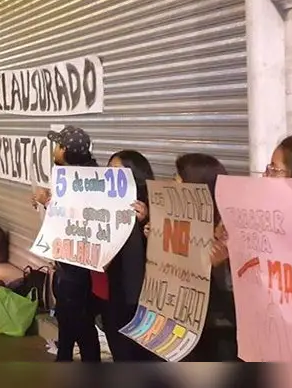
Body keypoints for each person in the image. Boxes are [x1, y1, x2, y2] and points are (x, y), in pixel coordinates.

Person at [32, 125, 102, 362]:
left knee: (80, 322)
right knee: (65, 316)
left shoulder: (87, 179)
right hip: (66, 262)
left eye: (58, 145)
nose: (54, 149)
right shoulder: (68, 175)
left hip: (79, 266)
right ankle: (63, 356)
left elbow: (79, 217)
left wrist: (48, 203)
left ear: (65, 149)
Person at [167, 153, 237, 362]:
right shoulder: (173, 217)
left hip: (219, 327)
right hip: (184, 322)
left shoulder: (229, 225)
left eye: (177, 178)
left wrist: (219, 265)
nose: (171, 183)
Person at [100, 149, 157, 361]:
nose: (110, 177)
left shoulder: (152, 205)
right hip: (112, 290)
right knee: (118, 345)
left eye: (117, 171)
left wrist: (147, 221)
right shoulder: (101, 202)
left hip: (142, 297)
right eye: (109, 171)